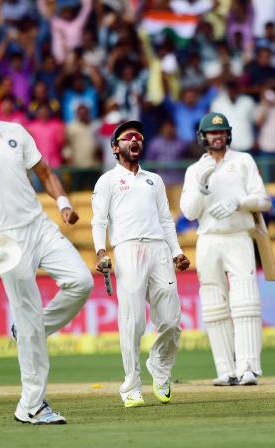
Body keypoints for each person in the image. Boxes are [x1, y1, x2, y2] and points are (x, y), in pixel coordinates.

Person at [0, 79, 94, 425]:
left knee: (81, 282)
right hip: (5, 242)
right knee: (30, 323)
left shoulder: (16, 132)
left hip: (39, 226)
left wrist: (63, 202)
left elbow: (45, 172)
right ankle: (31, 407)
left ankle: (28, 328)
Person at [91, 120, 189, 408]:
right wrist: (100, 251)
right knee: (133, 322)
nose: (135, 140)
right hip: (128, 248)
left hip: (159, 249)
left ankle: (160, 367)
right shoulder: (107, 180)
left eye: (139, 137)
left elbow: (166, 220)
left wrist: (177, 252)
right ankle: (131, 385)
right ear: (115, 147)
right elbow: (99, 220)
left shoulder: (154, 180)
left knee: (171, 321)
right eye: (128, 137)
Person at [180, 112, 272, 386]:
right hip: (208, 239)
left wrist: (238, 203)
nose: (217, 136)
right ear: (203, 137)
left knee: (245, 301)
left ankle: (248, 368)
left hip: (238, 236)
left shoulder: (243, 161)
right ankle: (226, 370)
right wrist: (201, 186)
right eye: (212, 132)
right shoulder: (194, 170)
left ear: (228, 134)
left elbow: (264, 201)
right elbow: (189, 212)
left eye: (220, 132)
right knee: (213, 304)